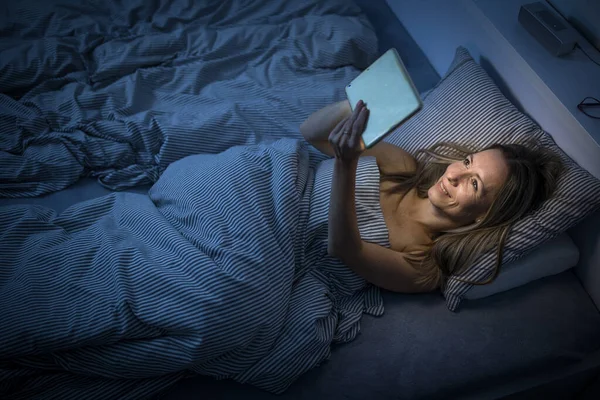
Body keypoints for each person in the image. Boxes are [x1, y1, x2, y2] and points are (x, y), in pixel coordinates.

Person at [301, 99, 564, 293]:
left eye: (473, 184)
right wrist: (359, 104)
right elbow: (312, 134)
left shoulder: (423, 265)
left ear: (486, 213)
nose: (453, 175)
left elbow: (343, 249)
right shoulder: (401, 166)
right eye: (467, 161)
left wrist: (345, 164)